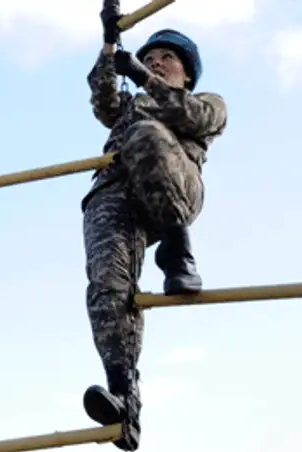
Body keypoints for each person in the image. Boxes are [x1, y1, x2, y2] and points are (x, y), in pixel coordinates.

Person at [80, 2, 227, 449]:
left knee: (144, 134)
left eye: (167, 58)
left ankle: (177, 251)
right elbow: (104, 101)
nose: (156, 62)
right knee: (108, 286)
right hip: (115, 193)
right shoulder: (132, 106)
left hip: (173, 185)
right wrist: (110, 46)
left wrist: (145, 78)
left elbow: (194, 119)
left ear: (187, 73)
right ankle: (124, 398)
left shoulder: (207, 102)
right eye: (149, 58)